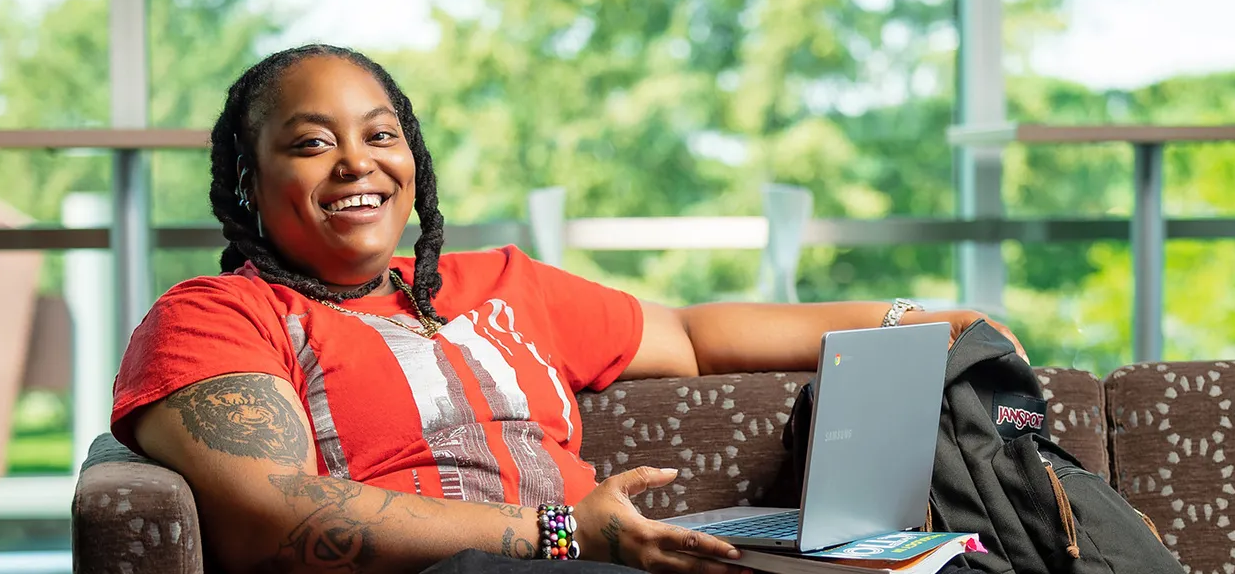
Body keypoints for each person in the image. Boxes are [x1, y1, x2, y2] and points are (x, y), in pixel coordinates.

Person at [111, 43, 1025, 574]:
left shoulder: (500, 283)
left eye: (381, 135)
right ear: (248, 180)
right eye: (311, 144)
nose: (357, 163)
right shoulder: (219, 315)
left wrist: (926, 320)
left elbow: (694, 339)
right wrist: (557, 532)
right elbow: (267, 514)